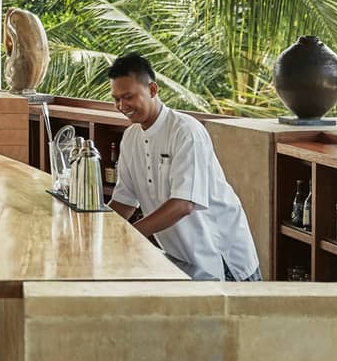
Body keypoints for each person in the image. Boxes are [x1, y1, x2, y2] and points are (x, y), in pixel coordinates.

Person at [106, 53, 260, 281]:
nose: (121, 106)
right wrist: (97, 232)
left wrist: (130, 236)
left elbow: (183, 204)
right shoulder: (130, 138)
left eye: (128, 96)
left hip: (223, 260)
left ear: (153, 90)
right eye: (116, 98)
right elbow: (124, 202)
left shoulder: (185, 131)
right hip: (181, 260)